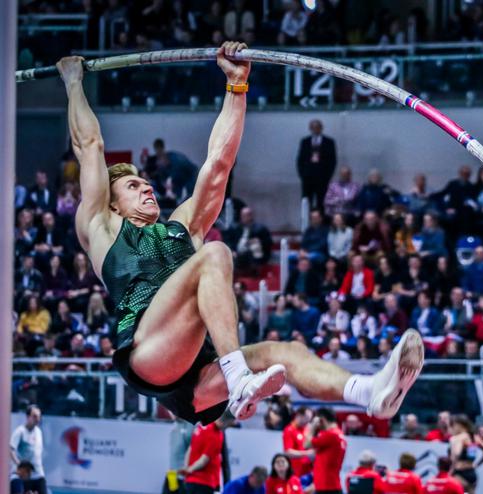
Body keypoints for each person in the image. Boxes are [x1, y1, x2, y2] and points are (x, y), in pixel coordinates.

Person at [56, 44, 424, 426]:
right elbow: (89, 145)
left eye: (146, 183)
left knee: (286, 351)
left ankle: (370, 393)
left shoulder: (182, 227)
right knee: (214, 255)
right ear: (113, 204)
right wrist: (73, 82)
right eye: (133, 186)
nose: (147, 188)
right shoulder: (101, 227)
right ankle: (239, 378)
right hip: (150, 351)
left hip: (200, 377)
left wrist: (236, 86)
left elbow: (219, 162)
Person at [296, 119, 337, 209]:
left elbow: (332, 161)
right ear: (310, 129)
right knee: (306, 202)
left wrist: (327, 176)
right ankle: (307, 221)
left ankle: (321, 221)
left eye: (317, 127)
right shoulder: (305, 141)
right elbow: (300, 160)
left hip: (322, 178)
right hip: (308, 178)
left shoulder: (329, 142)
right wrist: (303, 175)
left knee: (322, 202)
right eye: (313, 127)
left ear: (321, 128)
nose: (315, 129)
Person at [306, 407, 347, 494]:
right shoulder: (338, 434)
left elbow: (306, 444)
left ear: (322, 420)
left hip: (326, 488)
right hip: (329, 485)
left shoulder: (330, 435)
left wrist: (312, 428)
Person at [182, 416, 225, 494]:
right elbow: (204, 460)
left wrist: (187, 469)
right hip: (205, 482)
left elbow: (190, 449)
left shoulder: (200, 427)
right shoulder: (217, 434)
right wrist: (189, 469)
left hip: (191, 481)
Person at [449, 415, 483, 494]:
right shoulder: (474, 437)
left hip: (459, 473)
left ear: (459, 425)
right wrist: (477, 464)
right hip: (472, 473)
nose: (453, 428)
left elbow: (456, 454)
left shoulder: (458, 438)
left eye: (453, 425)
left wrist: (450, 471)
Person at [10, 405, 46, 494]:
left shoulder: (39, 432)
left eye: (39, 416)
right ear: (27, 417)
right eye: (34, 416)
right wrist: (20, 465)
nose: (37, 419)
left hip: (38, 473)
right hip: (23, 475)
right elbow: (11, 449)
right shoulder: (20, 431)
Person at [282, 407, 314, 477]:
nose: (308, 422)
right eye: (306, 419)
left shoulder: (307, 429)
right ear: (299, 415)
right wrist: (307, 453)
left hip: (308, 471)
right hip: (295, 472)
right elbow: (288, 452)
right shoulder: (289, 430)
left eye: (309, 420)